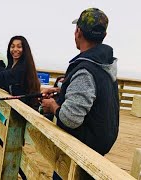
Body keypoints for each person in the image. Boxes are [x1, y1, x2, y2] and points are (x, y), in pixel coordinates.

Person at [41, 8, 119, 157]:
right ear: (104, 35)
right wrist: (62, 91)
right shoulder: (105, 64)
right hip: (96, 150)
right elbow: (95, 93)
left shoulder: (85, 70)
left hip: (78, 154)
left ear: (78, 32)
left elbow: (70, 119)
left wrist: (52, 106)